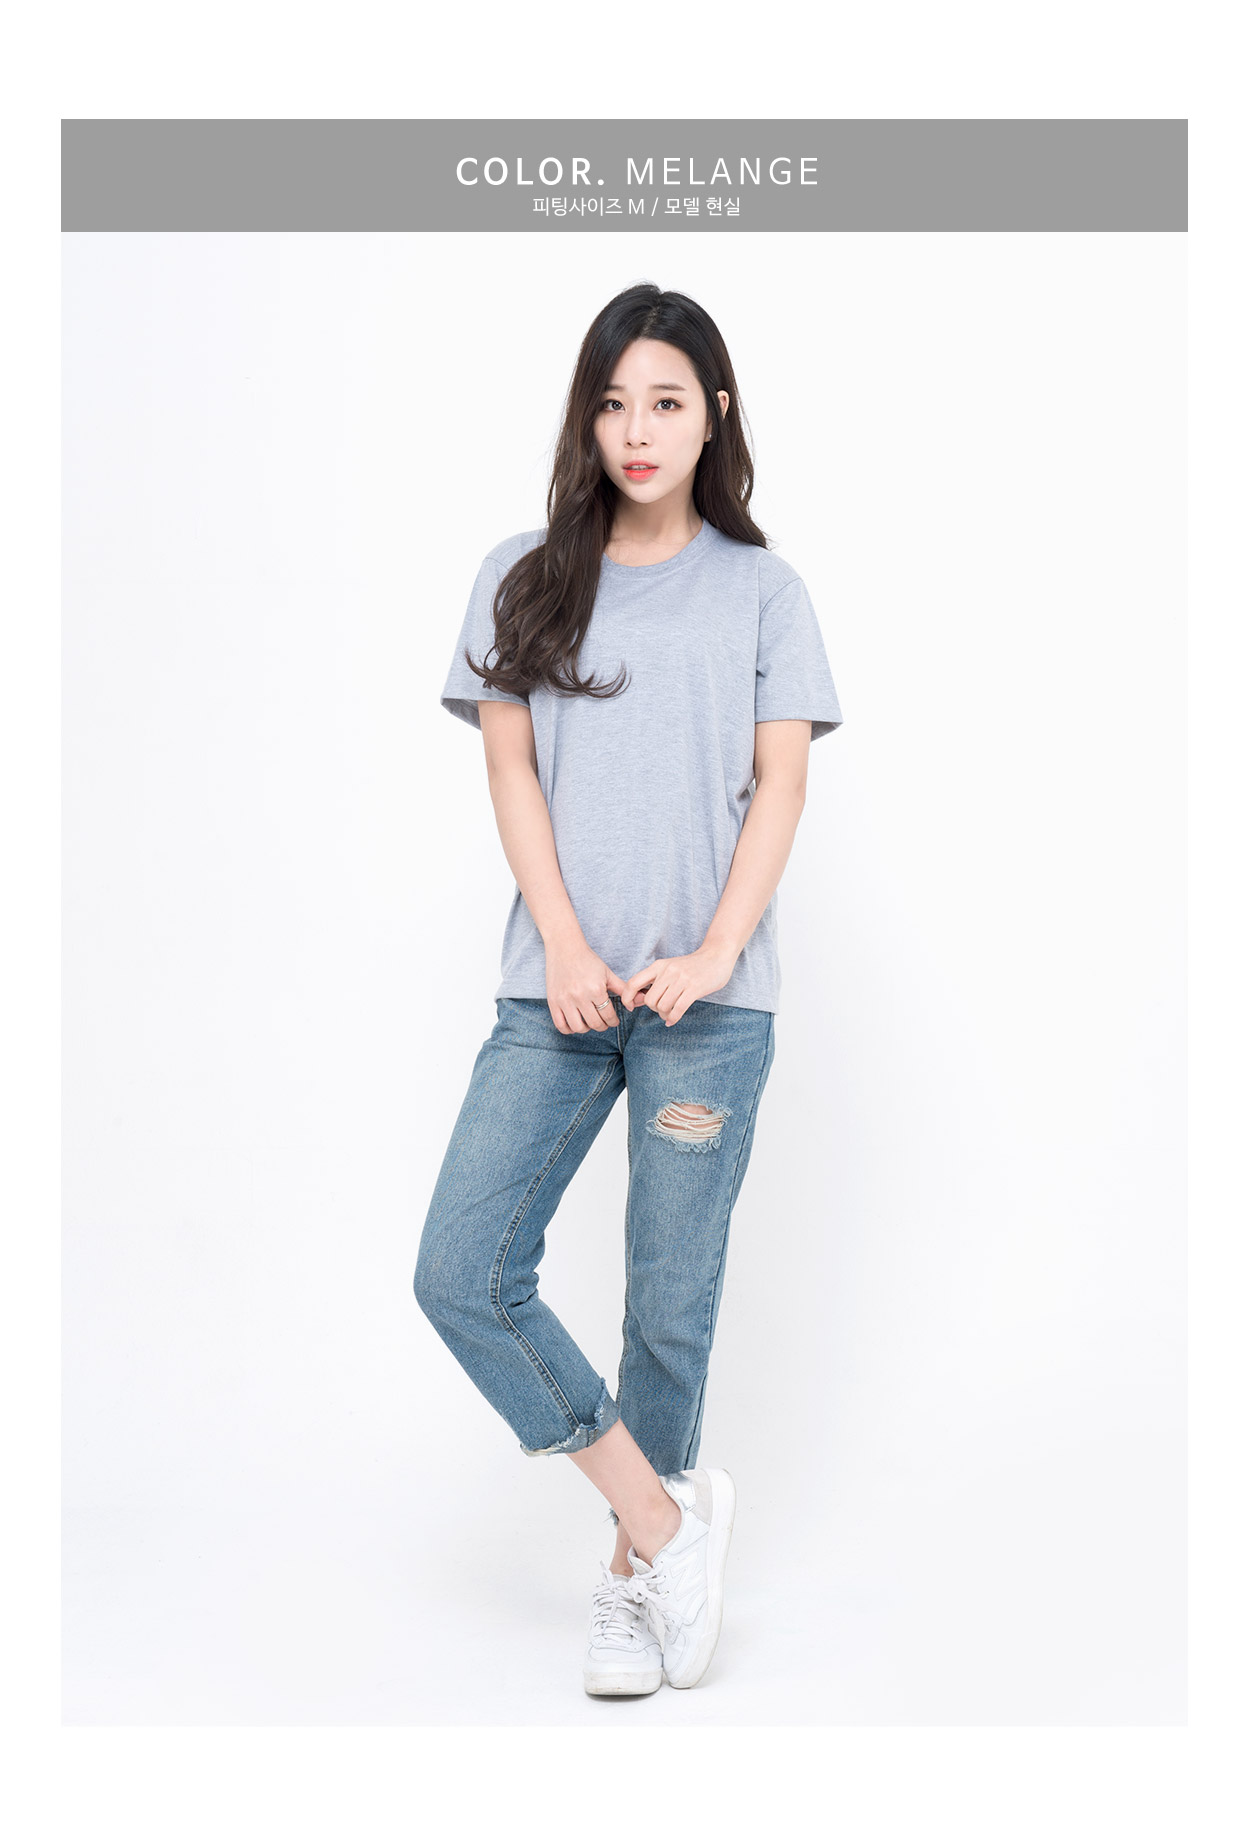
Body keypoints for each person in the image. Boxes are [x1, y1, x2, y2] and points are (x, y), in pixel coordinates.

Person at [414, 281, 843, 1697]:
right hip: (557, 994)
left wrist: (714, 953)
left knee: (668, 1301)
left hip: (708, 1009)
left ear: (712, 413)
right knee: (461, 1272)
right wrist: (564, 943)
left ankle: (625, 1583)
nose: (636, 430)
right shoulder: (521, 575)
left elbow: (781, 785)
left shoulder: (765, 591)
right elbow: (509, 771)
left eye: (664, 401)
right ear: (583, 418)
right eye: (611, 403)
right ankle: (664, 1527)